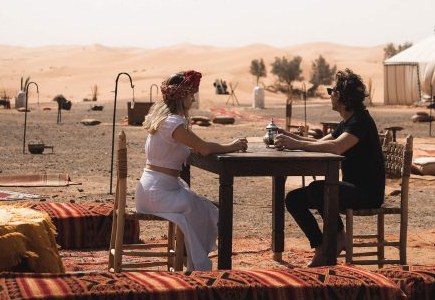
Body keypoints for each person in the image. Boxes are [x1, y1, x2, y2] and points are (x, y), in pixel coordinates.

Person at [135, 70, 247, 270]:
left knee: (203, 205)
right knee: (211, 208)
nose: (193, 99)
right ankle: (198, 263)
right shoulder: (173, 123)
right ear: (182, 96)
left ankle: (191, 260)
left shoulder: (161, 119)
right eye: (191, 94)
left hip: (152, 190)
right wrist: (233, 145)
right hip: (159, 194)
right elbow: (203, 148)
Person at [274, 68, 385, 267]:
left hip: (367, 193)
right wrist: (289, 136)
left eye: (331, 91)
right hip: (348, 189)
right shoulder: (347, 122)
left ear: (342, 96)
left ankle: (337, 239)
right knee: (293, 199)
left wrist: (297, 145)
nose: (329, 95)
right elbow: (320, 142)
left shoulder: (361, 121)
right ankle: (321, 247)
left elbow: (336, 147)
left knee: (321, 189)